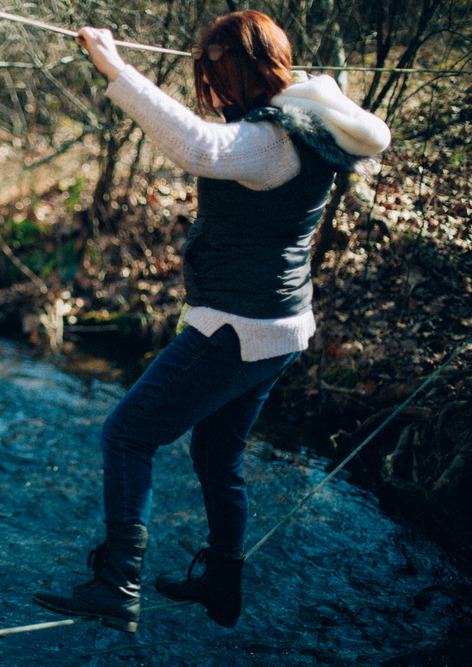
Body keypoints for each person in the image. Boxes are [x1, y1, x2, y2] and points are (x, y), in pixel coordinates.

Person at [32, 10, 391, 633]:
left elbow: (197, 146)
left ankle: (116, 586)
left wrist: (113, 67)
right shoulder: (317, 122)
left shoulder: (268, 138)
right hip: (281, 325)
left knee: (127, 436)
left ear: (234, 68)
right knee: (217, 455)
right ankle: (223, 582)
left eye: (212, 72)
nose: (211, 88)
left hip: (235, 326)